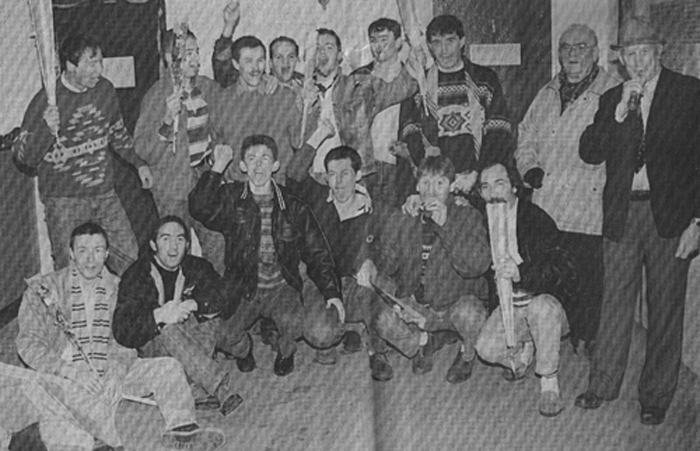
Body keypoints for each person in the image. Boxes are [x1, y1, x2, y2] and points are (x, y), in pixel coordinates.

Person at [574, 17, 700, 426]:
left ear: (660, 52)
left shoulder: (689, 92)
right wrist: (618, 115)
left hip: (671, 217)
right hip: (622, 213)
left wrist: (698, 221)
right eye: (631, 54)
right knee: (614, 303)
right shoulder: (613, 97)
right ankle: (602, 385)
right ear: (622, 60)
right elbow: (589, 151)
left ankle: (656, 396)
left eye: (645, 52)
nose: (639, 61)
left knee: (665, 308)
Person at [16, 222, 225, 450]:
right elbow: (28, 343)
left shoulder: (117, 286)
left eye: (98, 250)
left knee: (169, 367)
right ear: (71, 253)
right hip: (65, 372)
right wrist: (70, 372)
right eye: (83, 250)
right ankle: (96, 441)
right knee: (72, 408)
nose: (90, 259)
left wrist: (116, 371)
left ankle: (183, 432)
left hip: (110, 369)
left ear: (107, 253)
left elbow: (124, 339)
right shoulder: (45, 289)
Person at [189, 134, 342, 377]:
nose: (258, 165)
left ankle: (285, 351)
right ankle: (244, 350)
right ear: (242, 166)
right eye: (251, 159)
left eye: (265, 159)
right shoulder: (231, 198)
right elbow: (198, 208)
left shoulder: (293, 206)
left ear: (275, 165)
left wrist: (332, 292)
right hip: (243, 287)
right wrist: (217, 167)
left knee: (295, 324)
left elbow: (317, 251)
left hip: (281, 287)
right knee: (222, 335)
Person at [515, 24, 618, 355]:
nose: (573, 53)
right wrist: (528, 167)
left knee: (587, 278)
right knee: (548, 276)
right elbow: (526, 133)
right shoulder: (547, 91)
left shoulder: (611, 91)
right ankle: (545, 339)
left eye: (581, 47)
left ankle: (587, 337)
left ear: (596, 52)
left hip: (586, 206)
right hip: (547, 204)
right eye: (566, 47)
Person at [13, 33, 153, 275]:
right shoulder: (45, 100)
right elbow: (23, 157)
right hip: (64, 201)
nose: (99, 69)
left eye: (100, 62)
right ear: (71, 66)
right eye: (92, 63)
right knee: (70, 271)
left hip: (105, 194)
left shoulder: (105, 89)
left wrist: (139, 164)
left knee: (130, 261)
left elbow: (118, 134)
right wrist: (46, 130)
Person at [357, 155, 491, 383]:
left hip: (452, 305)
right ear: (417, 186)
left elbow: (476, 265)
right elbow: (387, 264)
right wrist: (392, 230)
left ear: (451, 186)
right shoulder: (408, 214)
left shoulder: (467, 215)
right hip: (416, 305)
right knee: (382, 314)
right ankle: (424, 341)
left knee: (470, 315)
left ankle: (466, 354)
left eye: (440, 183)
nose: (432, 191)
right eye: (426, 182)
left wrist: (446, 226)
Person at [286, 121, 396, 380]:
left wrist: (372, 263)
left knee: (386, 287)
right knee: (319, 334)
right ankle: (345, 329)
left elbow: (392, 254)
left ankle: (377, 350)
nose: (338, 182)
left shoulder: (373, 208)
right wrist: (319, 136)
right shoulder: (317, 199)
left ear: (357, 175)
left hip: (356, 284)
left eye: (345, 174)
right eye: (332, 175)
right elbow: (292, 174)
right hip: (321, 282)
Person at [113, 216, 242, 417]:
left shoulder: (196, 266)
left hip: (193, 340)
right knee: (169, 330)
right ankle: (218, 387)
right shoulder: (137, 275)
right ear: (153, 245)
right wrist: (159, 315)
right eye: (165, 239)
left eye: (180, 239)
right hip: (157, 346)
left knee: (212, 319)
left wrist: (194, 304)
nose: (173, 247)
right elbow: (122, 330)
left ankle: (193, 386)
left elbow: (227, 294)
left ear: (187, 245)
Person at [474, 162, 572, 417]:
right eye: (485, 187)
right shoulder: (483, 221)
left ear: (514, 187)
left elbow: (562, 269)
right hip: (511, 308)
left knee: (541, 308)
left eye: (499, 184)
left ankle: (549, 382)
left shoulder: (536, 218)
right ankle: (525, 350)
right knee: (484, 348)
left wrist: (522, 273)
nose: (493, 193)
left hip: (545, 304)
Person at [134, 28, 226, 274]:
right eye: (187, 54)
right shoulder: (157, 95)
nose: (195, 59)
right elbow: (143, 149)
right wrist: (166, 121)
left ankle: (213, 294)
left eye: (196, 52)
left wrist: (217, 158)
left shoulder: (207, 88)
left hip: (205, 183)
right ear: (169, 58)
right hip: (171, 189)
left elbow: (222, 125)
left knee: (217, 244)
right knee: (176, 252)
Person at [398, 14, 514, 197]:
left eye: (450, 41)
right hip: (435, 185)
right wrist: (435, 176)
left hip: (478, 181)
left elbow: (499, 130)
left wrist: (477, 173)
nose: (444, 50)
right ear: (429, 46)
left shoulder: (485, 79)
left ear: (462, 41)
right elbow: (409, 133)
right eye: (437, 43)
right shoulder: (418, 85)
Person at [302, 27, 420, 183]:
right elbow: (295, 142)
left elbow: (404, 87)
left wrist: (415, 56)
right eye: (317, 48)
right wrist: (305, 105)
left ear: (339, 55)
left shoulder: (359, 85)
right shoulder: (301, 94)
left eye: (328, 47)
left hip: (350, 180)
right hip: (311, 179)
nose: (322, 52)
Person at [211, 35, 302, 186]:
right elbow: (216, 144)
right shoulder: (222, 100)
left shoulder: (284, 96)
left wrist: (307, 107)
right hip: (237, 187)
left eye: (260, 60)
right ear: (235, 64)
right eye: (248, 61)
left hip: (277, 187)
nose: (255, 68)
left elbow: (299, 141)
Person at [352, 18, 406, 207]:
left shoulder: (411, 76)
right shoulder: (359, 76)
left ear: (398, 42)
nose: (378, 46)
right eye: (373, 40)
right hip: (367, 163)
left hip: (398, 163)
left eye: (384, 40)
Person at [212, 1, 303, 90]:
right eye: (279, 57)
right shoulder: (255, 84)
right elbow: (222, 68)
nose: (285, 62)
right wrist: (229, 26)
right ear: (270, 63)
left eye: (291, 57)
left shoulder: (304, 84)